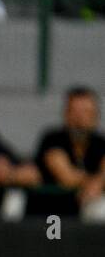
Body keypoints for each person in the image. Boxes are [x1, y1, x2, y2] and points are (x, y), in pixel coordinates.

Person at [31, 85, 105, 216]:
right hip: (50, 214)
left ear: (96, 116)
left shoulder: (100, 143)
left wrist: (98, 182)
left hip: (84, 212)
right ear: (65, 113)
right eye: (74, 112)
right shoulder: (53, 139)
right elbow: (66, 177)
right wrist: (94, 182)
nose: (80, 119)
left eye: (86, 112)